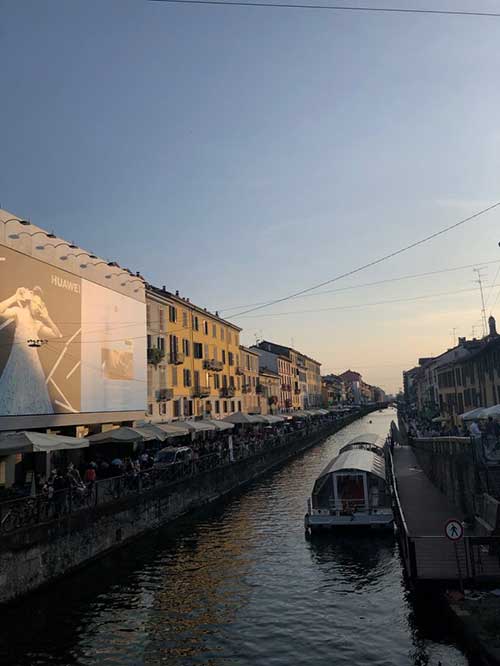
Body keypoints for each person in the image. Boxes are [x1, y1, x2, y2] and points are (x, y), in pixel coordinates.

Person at [0, 286, 62, 415]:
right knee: (14, 397)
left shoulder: (37, 323)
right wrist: (15, 297)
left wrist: (47, 318)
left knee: (32, 398)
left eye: (40, 305)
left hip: (33, 365)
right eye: (35, 303)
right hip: (17, 362)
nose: (37, 307)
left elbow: (58, 335)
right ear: (29, 301)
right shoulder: (19, 312)